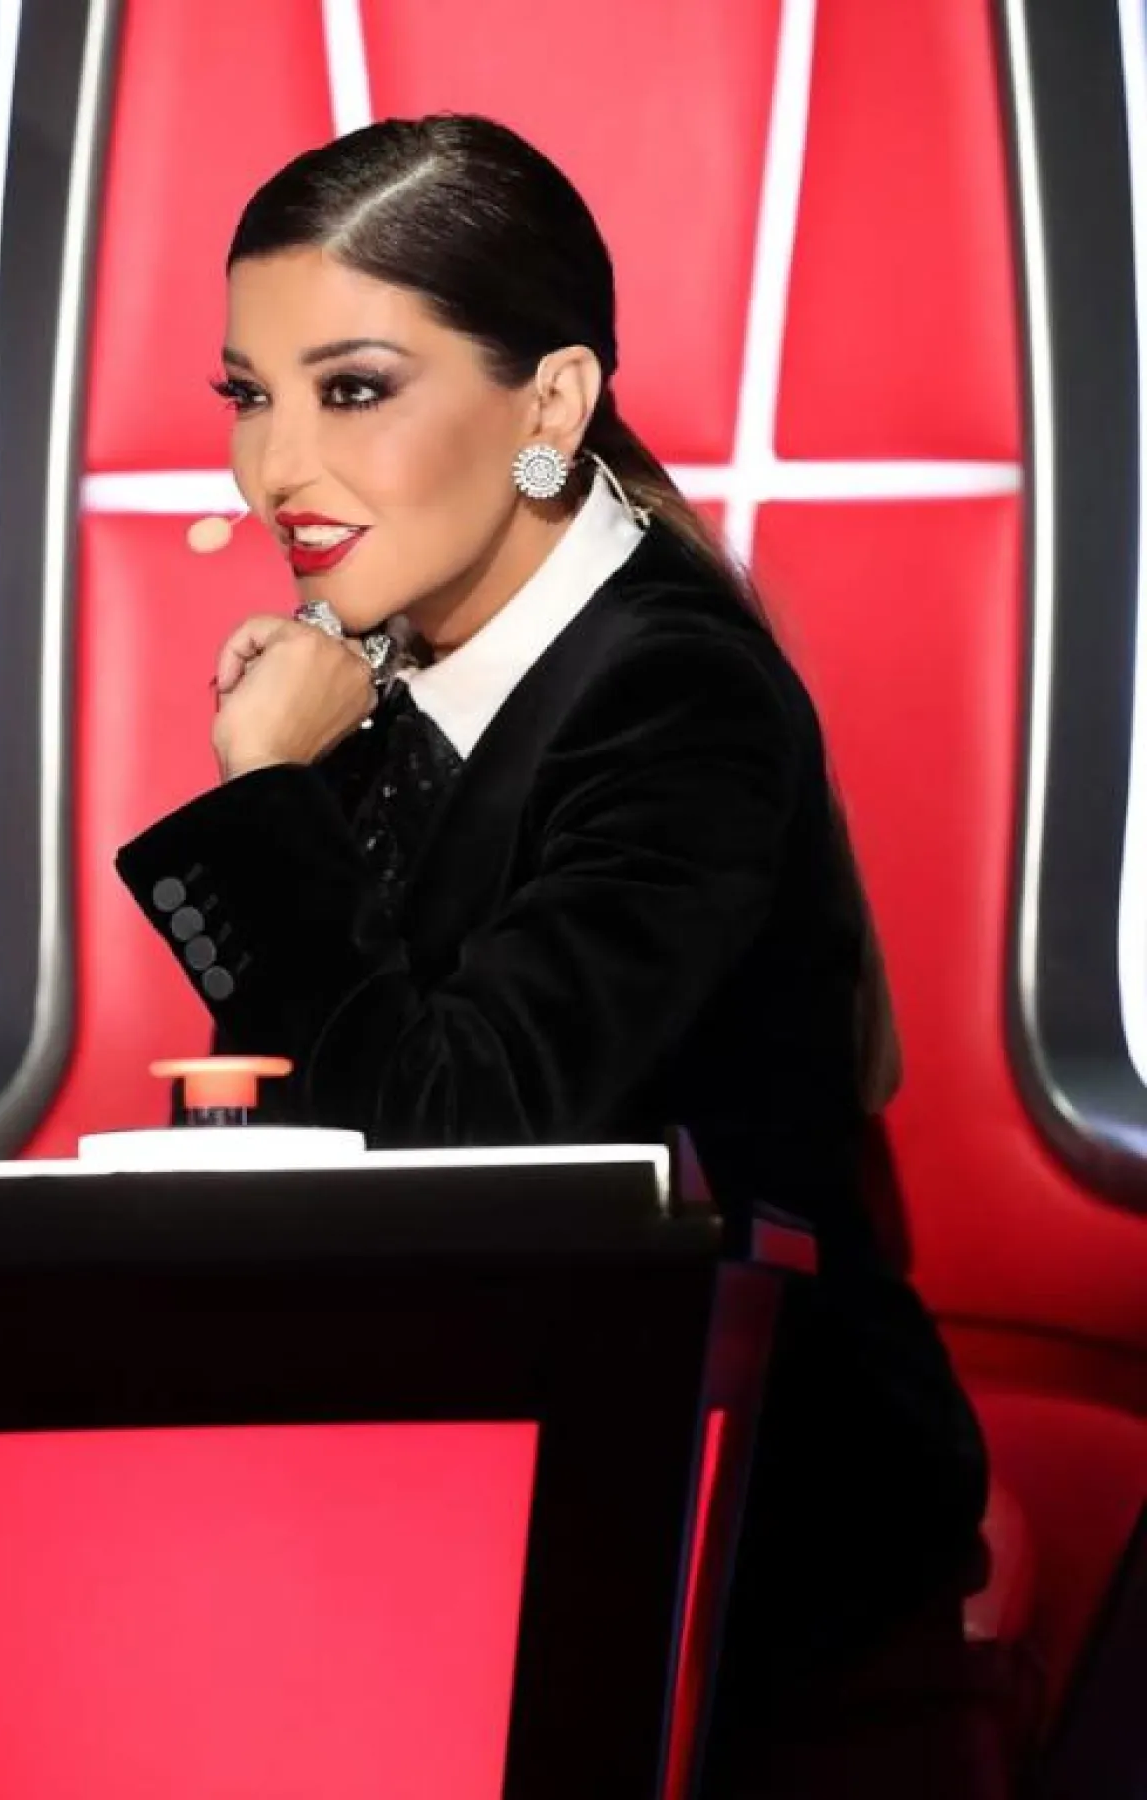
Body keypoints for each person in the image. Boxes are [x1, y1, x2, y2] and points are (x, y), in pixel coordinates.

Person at [115, 115, 994, 1796]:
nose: (273, 468)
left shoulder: (671, 693)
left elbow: (456, 1146)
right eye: (248, 394)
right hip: (497, 1565)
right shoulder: (397, 685)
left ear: (551, 405)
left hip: (753, 1627)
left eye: (351, 389)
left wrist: (272, 800)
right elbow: (325, 1153)